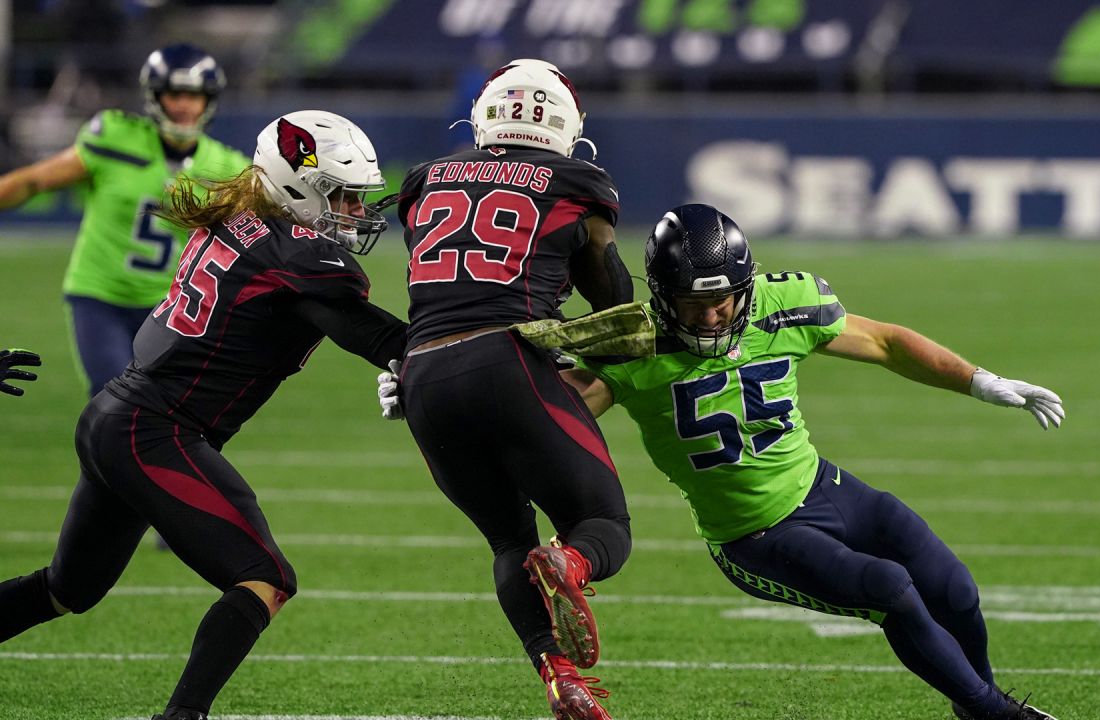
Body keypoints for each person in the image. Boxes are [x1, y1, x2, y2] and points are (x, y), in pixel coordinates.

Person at [562, 204, 1064, 720]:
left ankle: (978, 703)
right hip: (752, 534)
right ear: (663, 296)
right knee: (890, 589)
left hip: (824, 486)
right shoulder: (630, 349)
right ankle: (998, 715)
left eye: (722, 301)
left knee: (954, 587)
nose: (710, 317)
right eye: (693, 305)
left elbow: (886, 343)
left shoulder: (783, 306)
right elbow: (555, 419)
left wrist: (977, 380)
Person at [0, 110, 407, 720]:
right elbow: (370, 335)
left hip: (118, 415)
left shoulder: (240, 221)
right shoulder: (296, 255)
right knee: (264, 577)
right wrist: (448, 353)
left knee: (67, 590)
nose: (353, 212)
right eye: (341, 197)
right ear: (295, 185)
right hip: (155, 431)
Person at [392, 58, 634, 720]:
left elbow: (442, 284)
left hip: (422, 373)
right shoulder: (577, 180)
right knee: (601, 525)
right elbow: (610, 295)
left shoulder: (426, 178)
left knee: (508, 540)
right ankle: (571, 565)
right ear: (566, 125)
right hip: (510, 360)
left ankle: (558, 674)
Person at [0, 43, 249, 398]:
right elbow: (34, 181)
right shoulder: (116, 136)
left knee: (165, 408)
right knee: (114, 397)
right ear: (154, 96)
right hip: (101, 295)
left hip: (169, 305)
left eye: (194, 95)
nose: (184, 105)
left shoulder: (228, 168)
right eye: (174, 93)